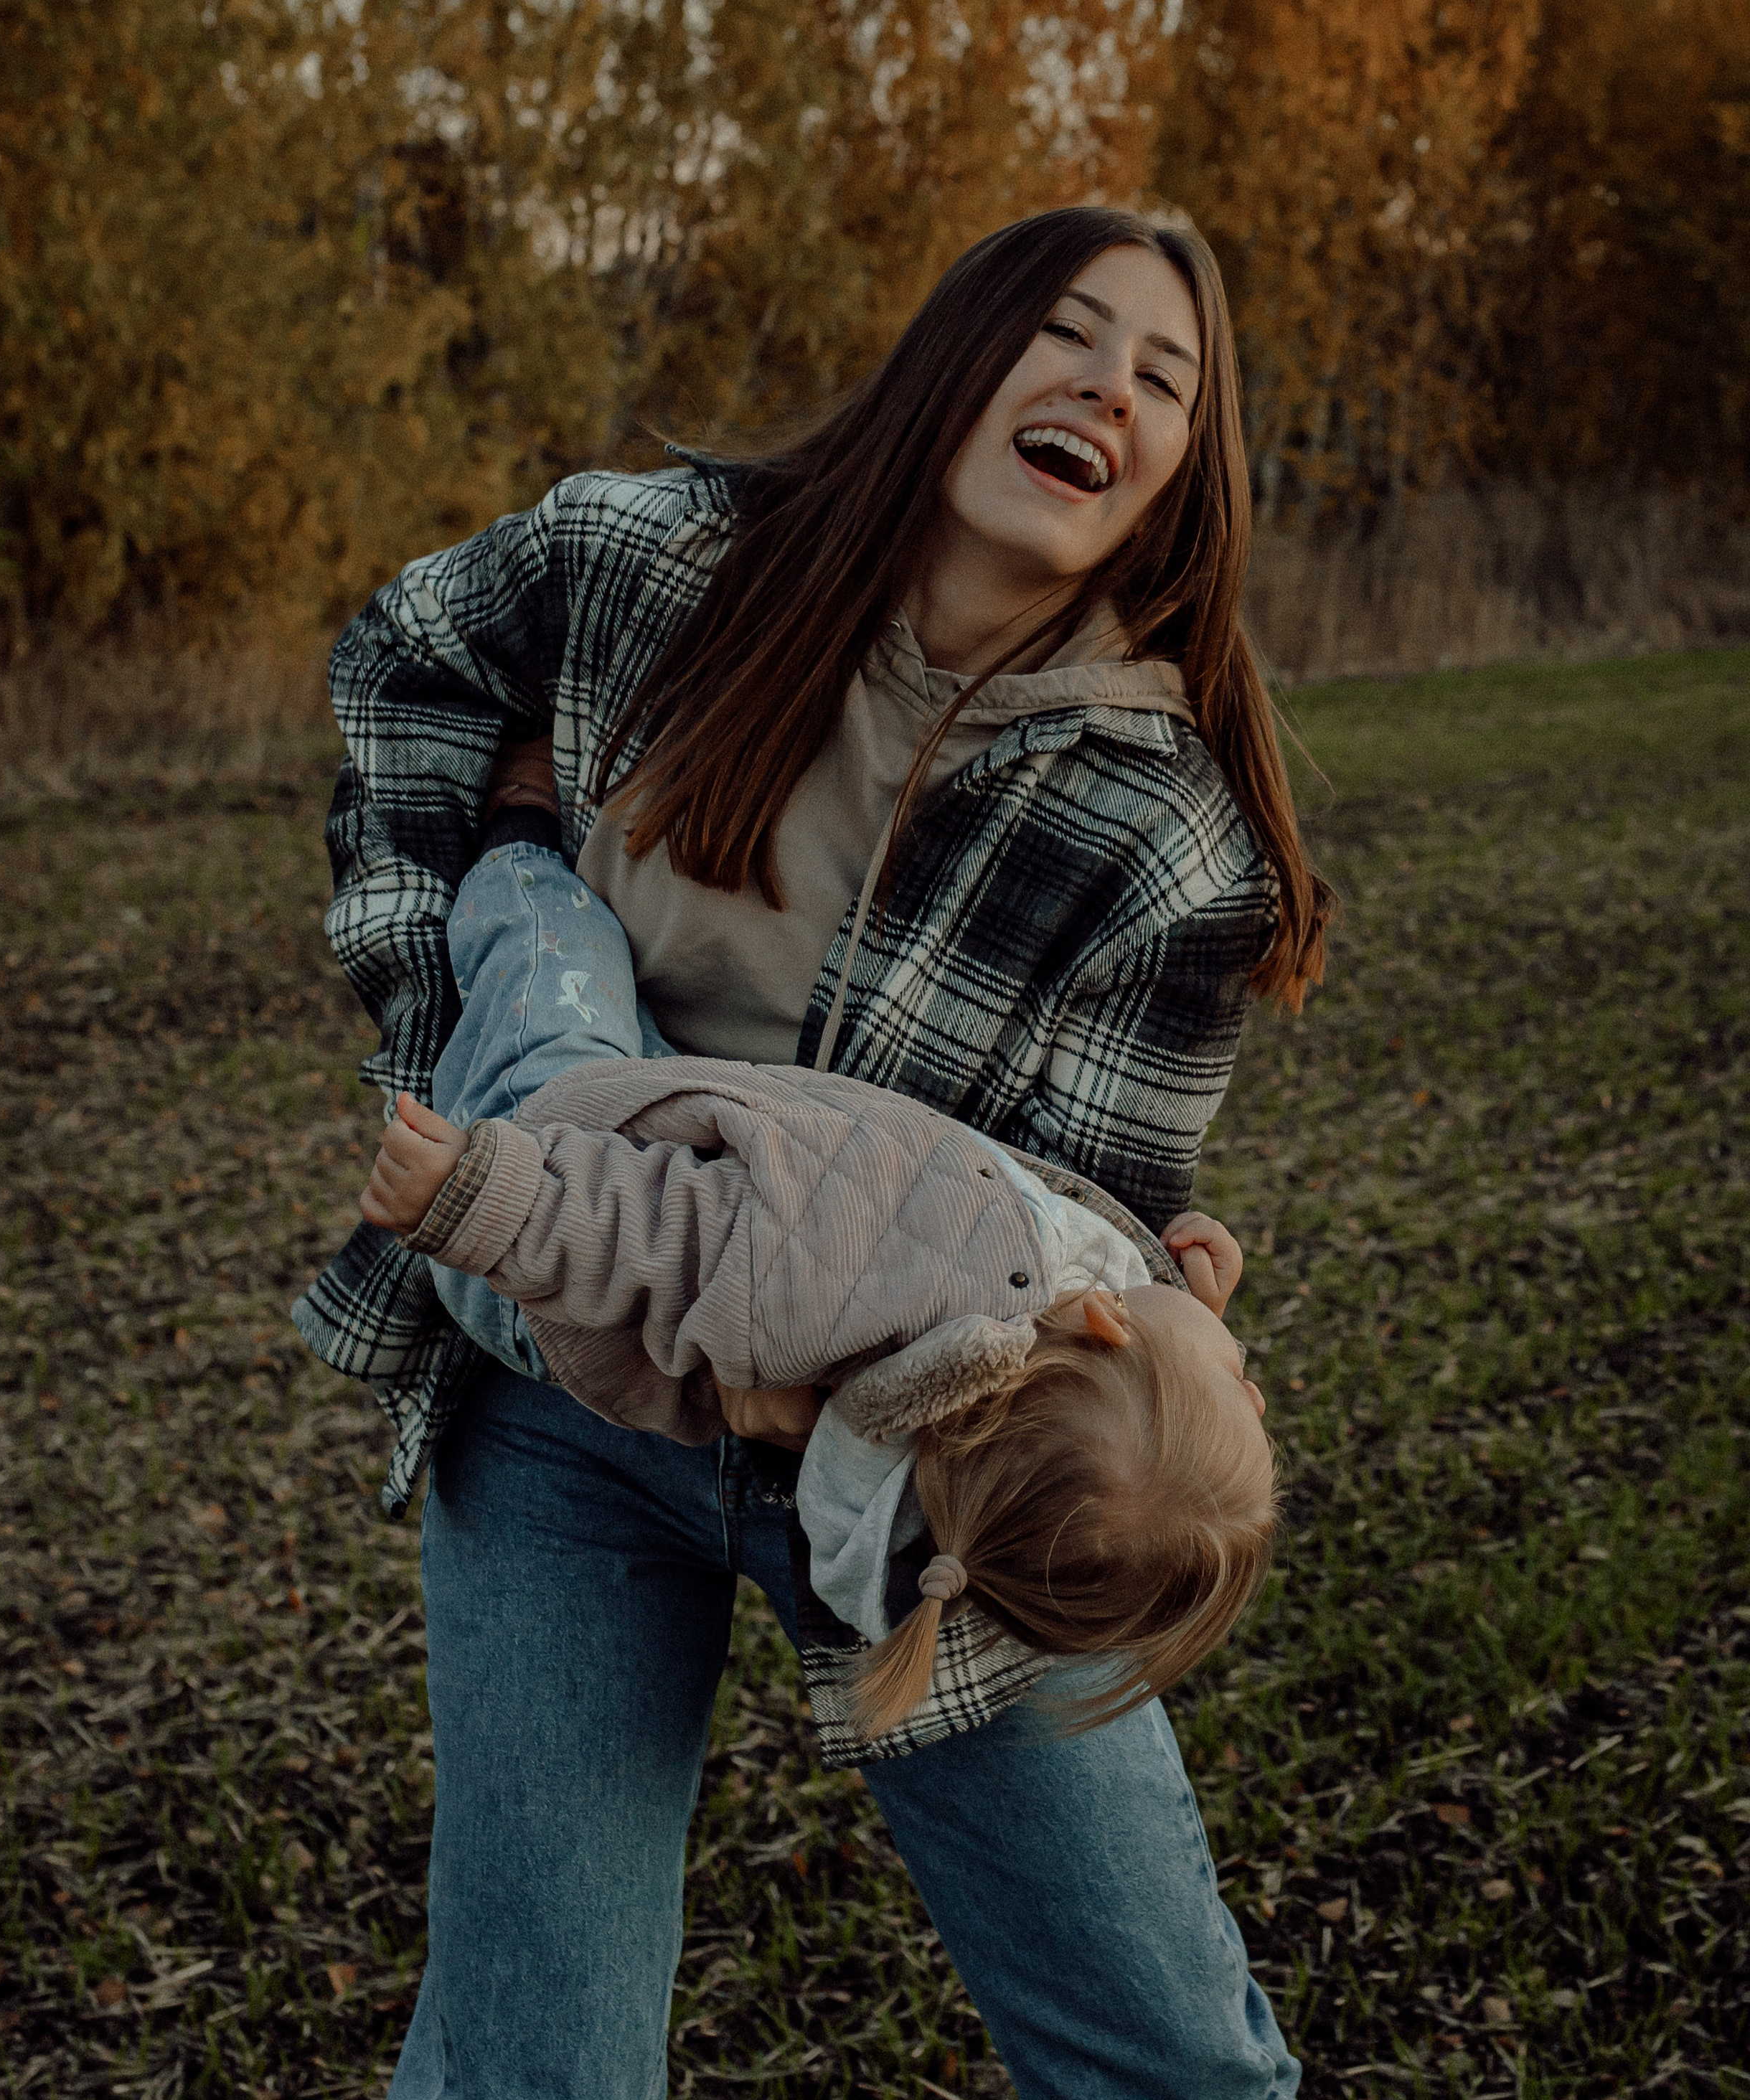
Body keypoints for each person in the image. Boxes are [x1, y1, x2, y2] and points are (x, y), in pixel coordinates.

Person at [313, 204, 1333, 2099]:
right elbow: (405, 669)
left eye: (1166, 379)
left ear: (1184, 474)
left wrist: (1140, 1288)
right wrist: (447, 1024)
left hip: (926, 1474)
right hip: (569, 1397)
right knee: (538, 2067)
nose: (1110, 386)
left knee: (1171, 2058)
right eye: (1069, 333)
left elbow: (1078, 1200)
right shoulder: (650, 565)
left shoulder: (1171, 834)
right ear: (963, 355)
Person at [350, 827, 1277, 1751]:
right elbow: (1119, 1388)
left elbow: (671, 1233)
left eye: (1239, 1390)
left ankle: (501, 856)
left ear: (1104, 1322)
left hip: (563, 1196)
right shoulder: (1005, 1408)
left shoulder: (890, 1276)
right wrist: (1188, 1315)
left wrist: (479, 1202)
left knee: (554, 945)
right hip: (666, 1160)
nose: (1257, 1387)